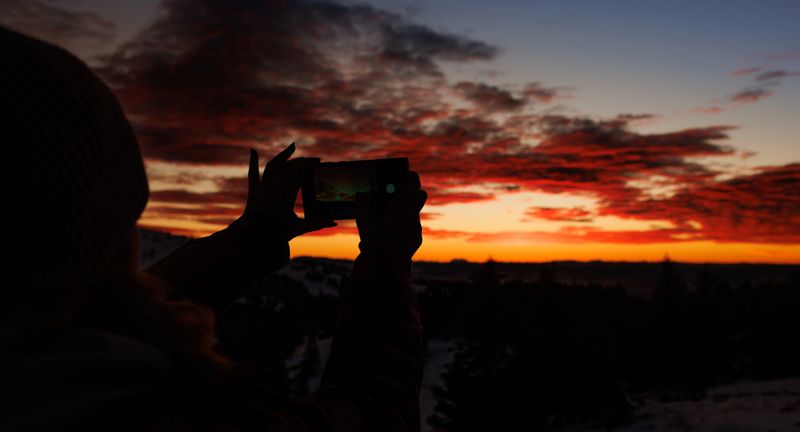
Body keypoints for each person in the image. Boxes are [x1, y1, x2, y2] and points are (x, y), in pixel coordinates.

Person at [0, 26, 426, 431]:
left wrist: (254, 237)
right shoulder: (151, 420)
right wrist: (386, 258)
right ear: (101, 219)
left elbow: (125, 302)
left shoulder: (37, 367)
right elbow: (373, 415)